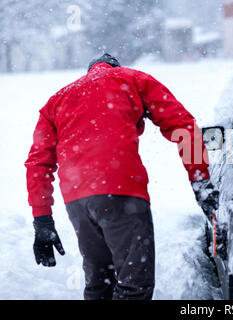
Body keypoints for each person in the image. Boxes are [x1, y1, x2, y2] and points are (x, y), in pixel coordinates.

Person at [25, 53, 219, 300]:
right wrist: (200, 180)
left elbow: (37, 164)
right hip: (121, 193)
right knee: (134, 286)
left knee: (99, 284)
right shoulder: (133, 79)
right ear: (116, 66)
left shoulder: (57, 100)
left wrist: (42, 219)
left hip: (78, 203)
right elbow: (184, 127)